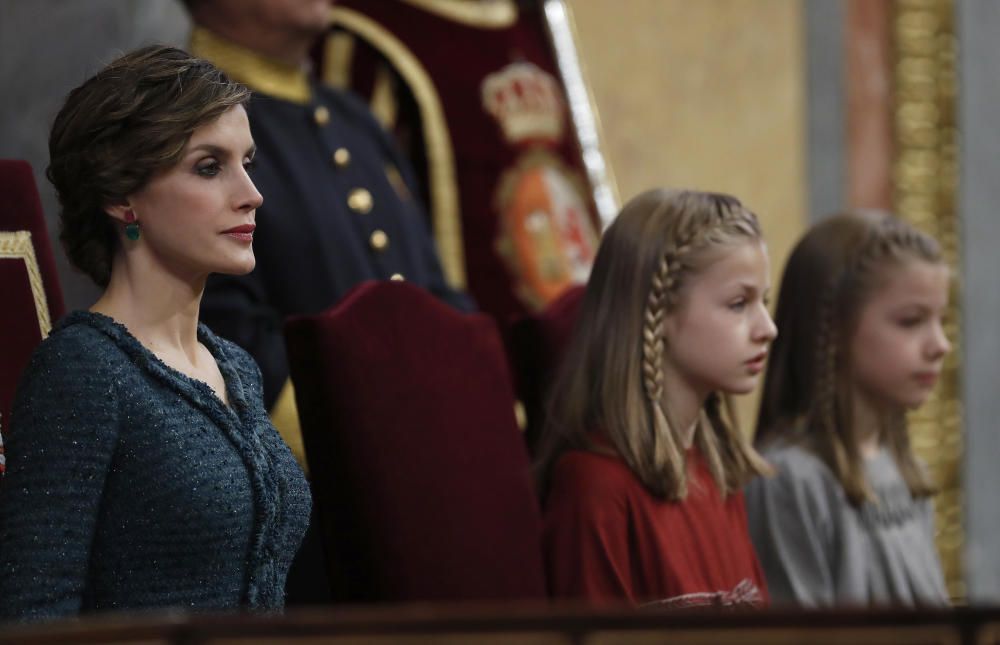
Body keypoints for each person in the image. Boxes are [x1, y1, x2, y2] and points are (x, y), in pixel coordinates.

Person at [0, 45, 311, 621]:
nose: (251, 193)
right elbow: (32, 615)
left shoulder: (236, 366)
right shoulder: (82, 371)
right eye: (209, 167)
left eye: (248, 162)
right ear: (122, 196)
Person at [183, 0, 472, 467]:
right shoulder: (185, 125)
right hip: (326, 484)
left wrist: (480, 405)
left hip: (438, 464)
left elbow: (434, 290)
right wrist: (388, 443)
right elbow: (220, 335)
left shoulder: (353, 117)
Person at [536, 188, 775, 607]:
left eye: (764, 302)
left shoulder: (718, 473)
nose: (767, 328)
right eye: (739, 304)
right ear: (657, 312)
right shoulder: (595, 487)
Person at [746, 210, 950, 608]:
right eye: (911, 321)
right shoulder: (789, 480)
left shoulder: (907, 472)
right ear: (834, 330)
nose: (940, 344)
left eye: (942, 320)